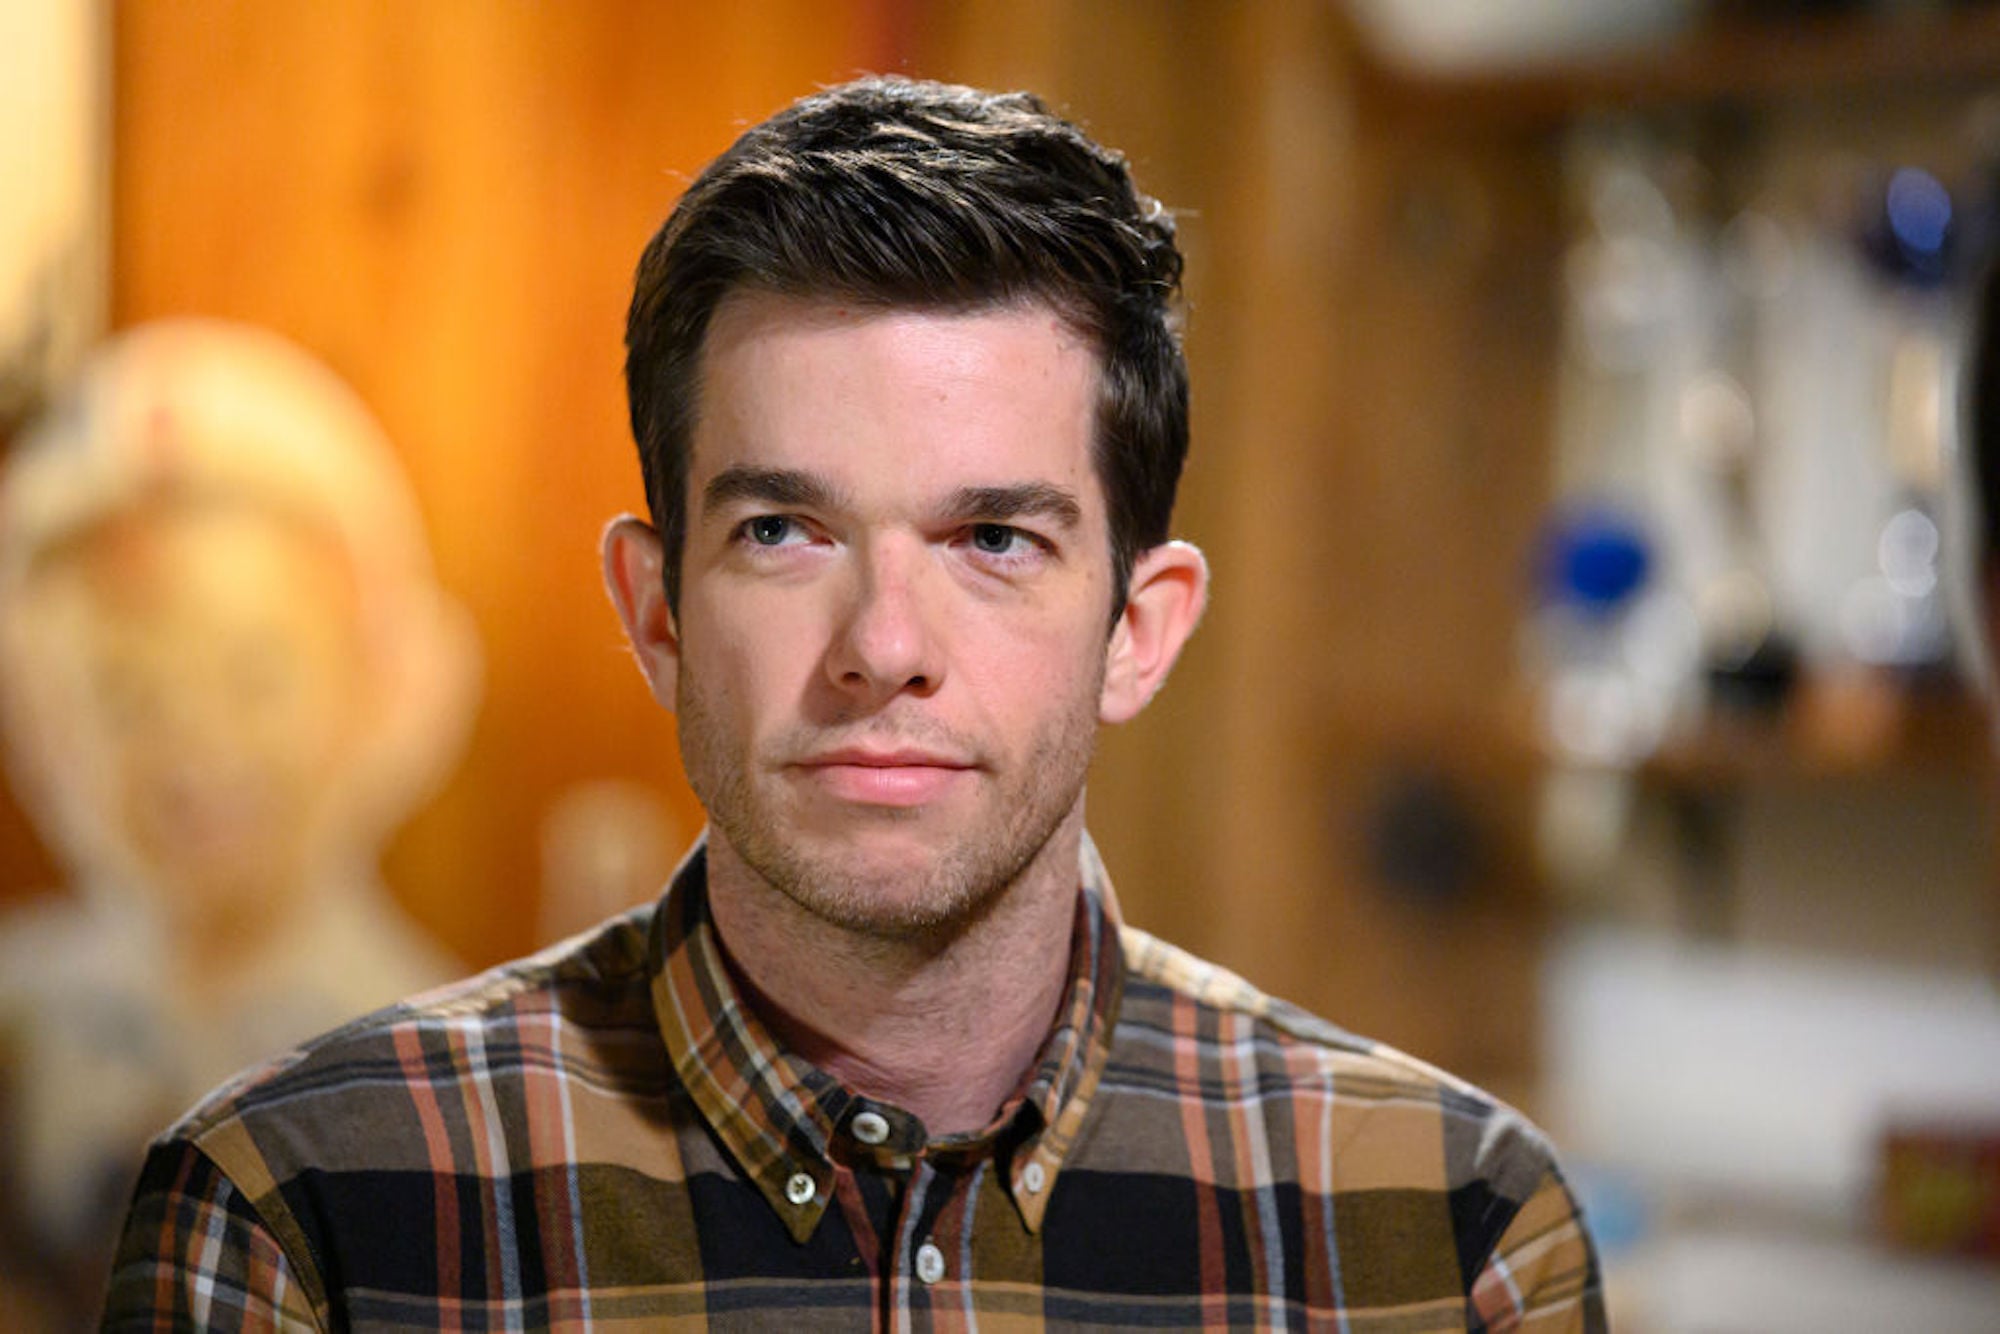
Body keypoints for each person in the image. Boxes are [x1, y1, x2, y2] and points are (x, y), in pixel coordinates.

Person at [103, 77, 1605, 1330]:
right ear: (655, 611)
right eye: (783, 532)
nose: (883, 646)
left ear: (1138, 632)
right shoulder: (303, 1215)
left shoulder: (1447, 1239)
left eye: (992, 538)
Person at [0, 321, 475, 1330]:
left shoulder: (445, 1068)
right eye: (124, 696)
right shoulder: (19, 1021)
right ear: (39, 728)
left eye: (257, 676)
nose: (192, 749)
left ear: (384, 687)